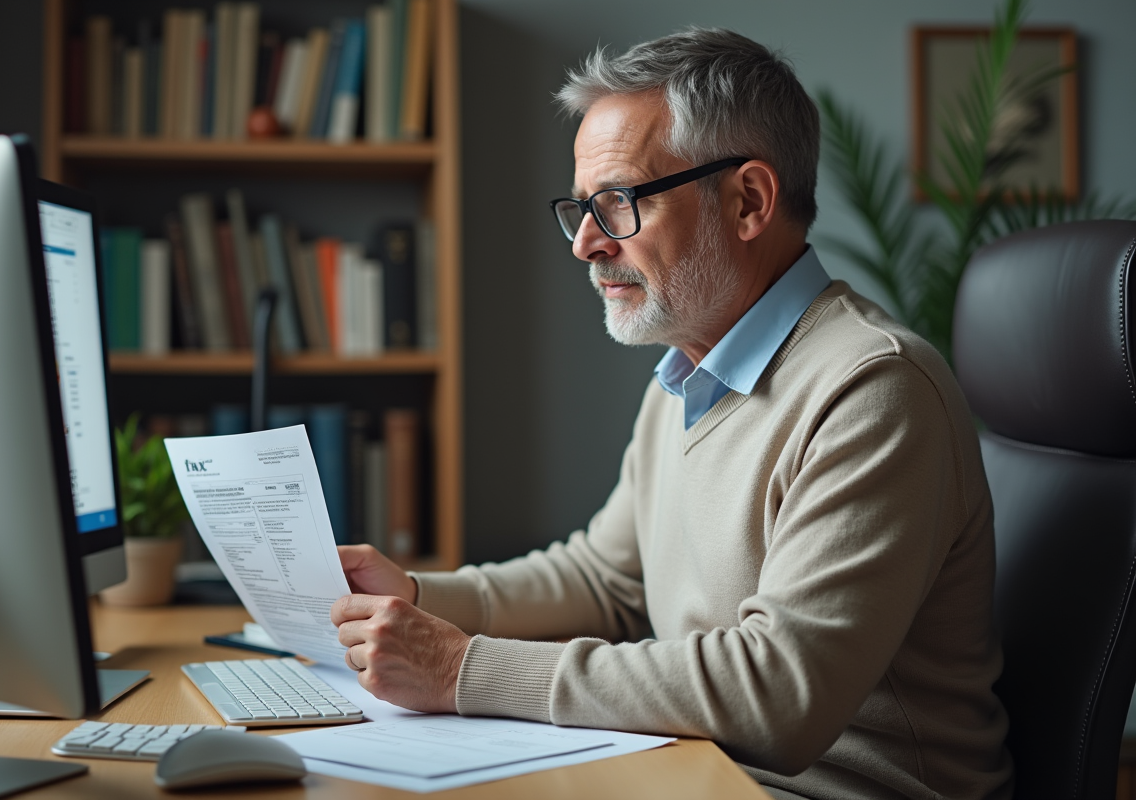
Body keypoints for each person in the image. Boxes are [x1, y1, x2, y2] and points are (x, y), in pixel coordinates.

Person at [330, 28, 1013, 800]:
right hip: (697, 768)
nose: (586, 243)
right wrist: (416, 598)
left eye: (618, 203)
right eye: (582, 208)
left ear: (748, 200)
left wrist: (460, 669)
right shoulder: (690, 371)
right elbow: (605, 581)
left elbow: (778, 692)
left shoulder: (873, 389)